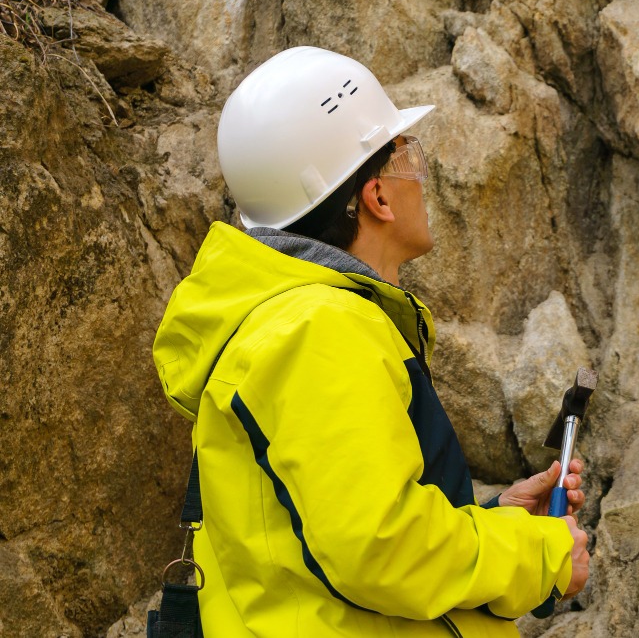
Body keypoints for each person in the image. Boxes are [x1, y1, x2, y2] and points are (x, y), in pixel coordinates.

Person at [152, 46, 590, 637]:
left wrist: (497, 523)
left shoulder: (294, 323)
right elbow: (382, 550)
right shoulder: (321, 331)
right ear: (377, 197)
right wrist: (537, 553)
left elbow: (326, 545)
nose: (422, 173)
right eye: (405, 153)